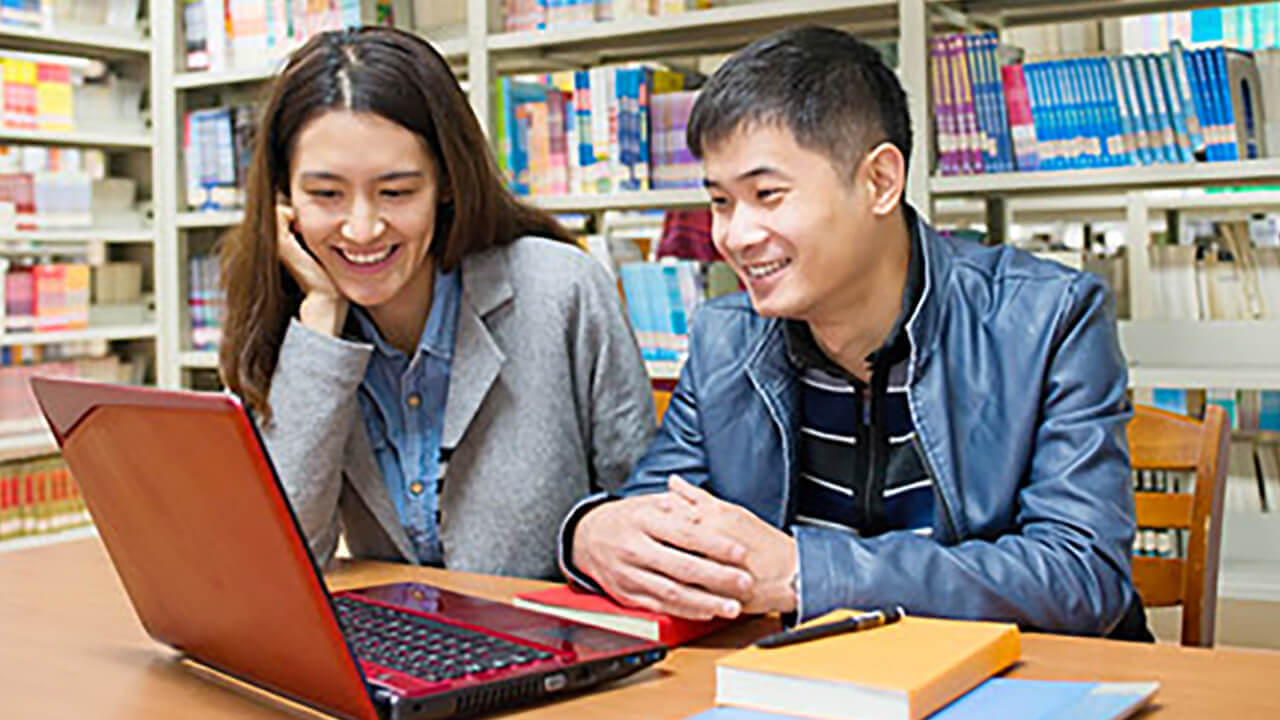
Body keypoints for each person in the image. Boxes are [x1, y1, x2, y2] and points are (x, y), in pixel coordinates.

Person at [563, 25, 1149, 639]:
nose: (735, 236)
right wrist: (587, 532)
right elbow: (655, 522)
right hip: (805, 682)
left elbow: (1083, 575)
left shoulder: (1050, 318)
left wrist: (805, 571)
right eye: (720, 202)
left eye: (767, 194)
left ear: (880, 182)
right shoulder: (724, 341)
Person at [219, 26, 655, 578]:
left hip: (562, 647)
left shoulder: (561, 289)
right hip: (401, 650)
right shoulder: (288, 322)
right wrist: (321, 323)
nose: (361, 228)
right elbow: (281, 562)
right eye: (326, 194)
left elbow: (644, 513)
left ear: (447, 181)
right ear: (284, 196)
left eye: (396, 192)